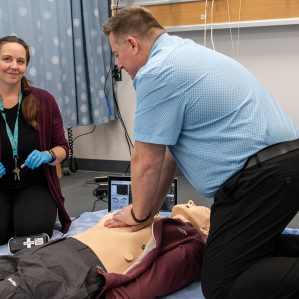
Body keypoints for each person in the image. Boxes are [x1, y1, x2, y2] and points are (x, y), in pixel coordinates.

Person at [102, 6, 299, 299]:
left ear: (133, 44)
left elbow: (145, 159)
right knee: (242, 252)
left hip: (261, 178)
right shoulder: (185, 53)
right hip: (280, 166)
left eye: (117, 54)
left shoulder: (157, 71)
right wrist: (148, 212)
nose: (119, 64)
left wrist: (136, 212)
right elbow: (168, 155)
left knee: (222, 285)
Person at [0, 201, 209, 299]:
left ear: (207, 229)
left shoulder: (192, 248)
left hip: (76, 271)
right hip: (54, 252)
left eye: (204, 209)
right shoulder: (148, 211)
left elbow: (153, 280)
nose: (190, 203)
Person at [0, 36, 71, 245]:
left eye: (20, 61)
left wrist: (48, 155)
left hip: (34, 185)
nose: (14, 66)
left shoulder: (44, 100)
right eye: (7, 59)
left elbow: (63, 149)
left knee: (31, 232)